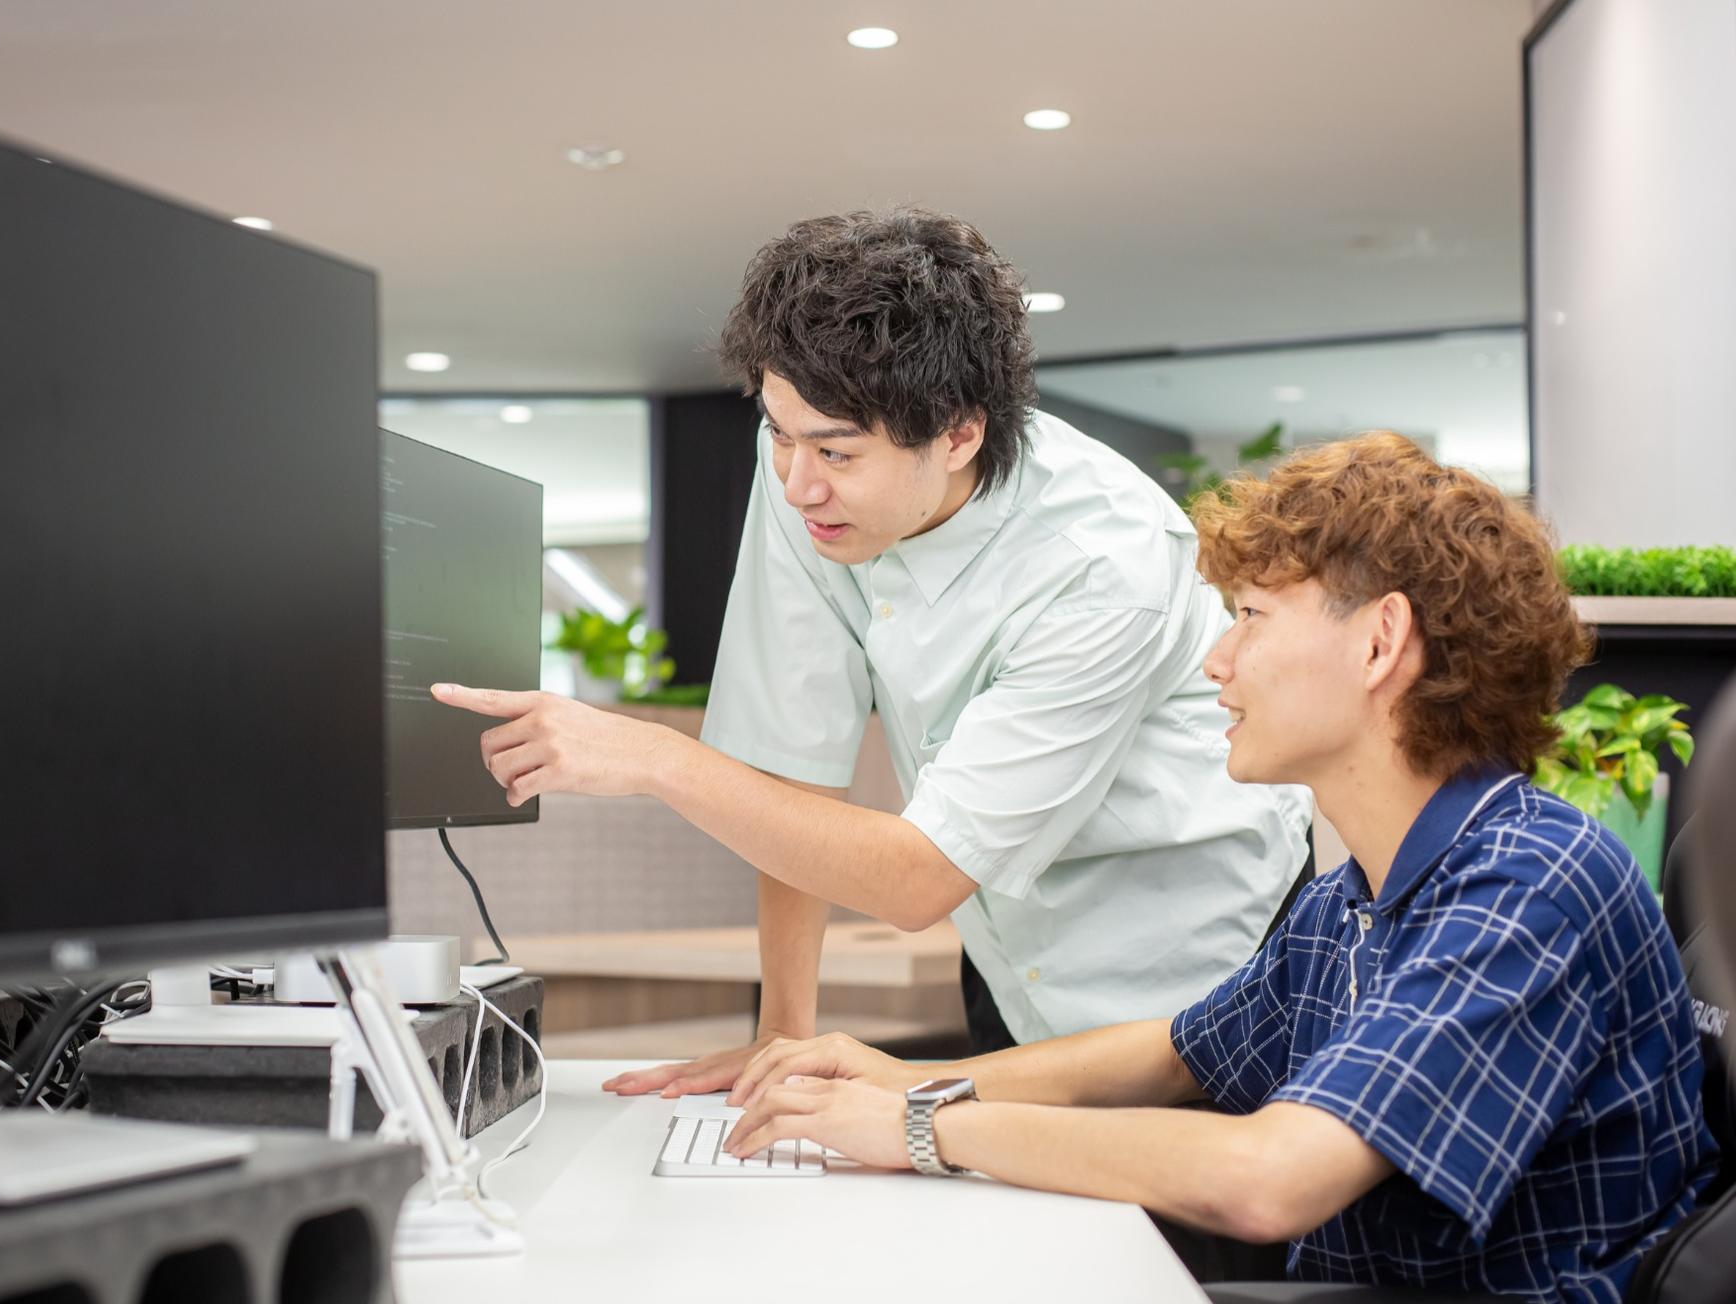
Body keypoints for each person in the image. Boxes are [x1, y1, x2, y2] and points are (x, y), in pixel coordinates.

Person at [721, 433, 1718, 1299]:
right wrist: (910, 1077)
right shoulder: (1351, 901)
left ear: (1380, 641)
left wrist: (920, 1124)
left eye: (1251, 618)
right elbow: (1175, 1051)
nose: (1217, 662)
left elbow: (1268, 1178)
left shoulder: (1528, 883)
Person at [434, 207, 1310, 1087]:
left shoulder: (1103, 565)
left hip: (1191, 960)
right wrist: (782, 1032)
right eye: (779, 433)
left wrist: (657, 758)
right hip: (1008, 951)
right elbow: (793, 755)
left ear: (959, 434)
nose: (798, 484)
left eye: (836, 454)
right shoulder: (807, 462)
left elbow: (918, 880)